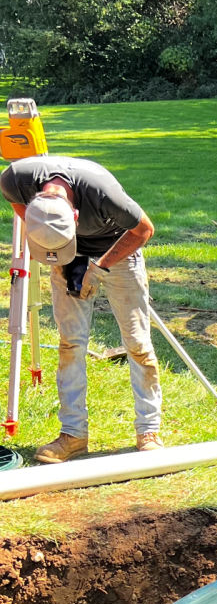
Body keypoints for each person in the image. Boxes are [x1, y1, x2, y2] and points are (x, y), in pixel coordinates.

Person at [0, 156, 163, 462]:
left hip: (118, 248)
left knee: (137, 344)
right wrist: (52, 250)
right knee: (70, 344)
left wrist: (99, 269)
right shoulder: (14, 179)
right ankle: (73, 434)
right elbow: (19, 209)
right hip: (66, 249)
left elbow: (143, 230)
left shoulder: (103, 193)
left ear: (75, 214)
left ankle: (149, 430)